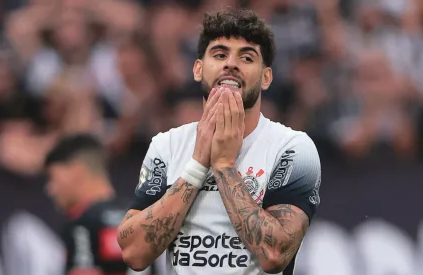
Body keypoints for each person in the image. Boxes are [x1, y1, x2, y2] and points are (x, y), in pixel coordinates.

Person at [117, 9, 321, 275]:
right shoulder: (166, 145)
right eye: (220, 54)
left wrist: (224, 165)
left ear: (266, 77)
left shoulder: (293, 148)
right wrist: (197, 165)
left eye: (246, 57)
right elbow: (133, 253)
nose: (231, 64)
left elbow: (274, 254)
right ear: (198, 69)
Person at [44, 134, 159, 275]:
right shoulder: (142, 217)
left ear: (76, 170)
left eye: (53, 178)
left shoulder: (82, 225)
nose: (50, 189)